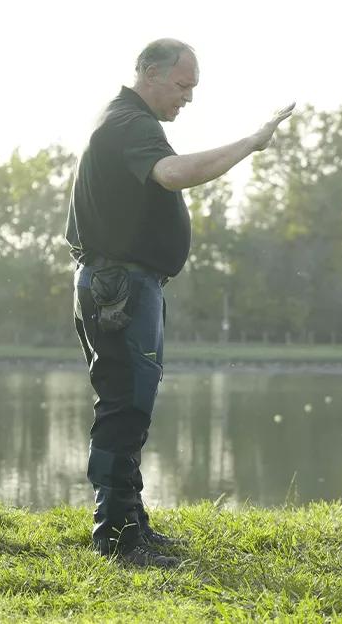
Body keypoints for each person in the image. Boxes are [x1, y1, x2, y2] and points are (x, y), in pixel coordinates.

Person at [65, 38, 293, 567]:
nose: (188, 98)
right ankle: (118, 539)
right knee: (124, 405)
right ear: (149, 72)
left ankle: (130, 526)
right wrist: (252, 142)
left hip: (123, 285)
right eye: (183, 85)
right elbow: (174, 174)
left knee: (131, 404)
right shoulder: (130, 123)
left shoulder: (125, 121)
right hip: (117, 287)